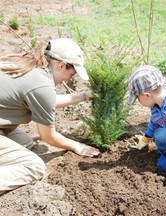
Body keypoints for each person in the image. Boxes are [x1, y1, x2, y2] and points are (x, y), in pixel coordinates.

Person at [0, 38, 100, 194]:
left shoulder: (28, 63)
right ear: (61, 65)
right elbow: (48, 136)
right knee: (34, 166)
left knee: (24, 142)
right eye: (71, 74)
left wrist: (84, 95)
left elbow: (46, 99)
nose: (69, 79)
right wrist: (77, 146)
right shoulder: (40, 85)